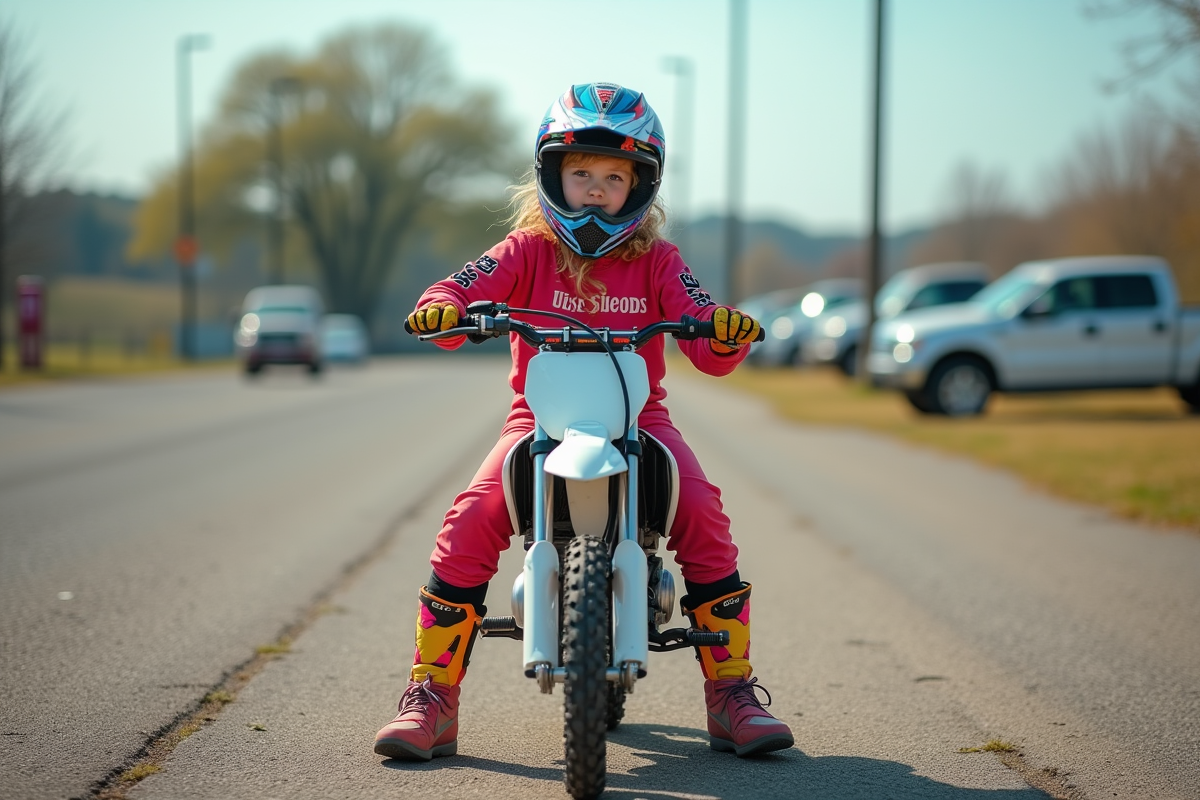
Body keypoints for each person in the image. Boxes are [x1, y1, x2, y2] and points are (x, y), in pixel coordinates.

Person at [373, 82, 794, 762]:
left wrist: (722, 329)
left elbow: (705, 331)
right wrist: (443, 305)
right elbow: (461, 286)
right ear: (551, 175)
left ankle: (731, 690)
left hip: (641, 421)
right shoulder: (523, 252)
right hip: (536, 423)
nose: (595, 191)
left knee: (703, 509)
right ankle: (432, 693)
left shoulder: (658, 259)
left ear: (640, 186)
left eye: (613, 177)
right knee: (475, 512)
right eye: (580, 174)